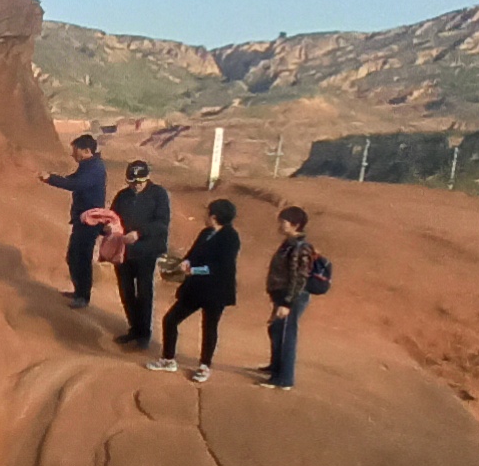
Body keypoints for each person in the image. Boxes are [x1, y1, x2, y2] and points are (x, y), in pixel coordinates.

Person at [146, 197, 240, 382]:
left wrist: (193, 270)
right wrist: (186, 263)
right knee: (171, 320)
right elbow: (194, 253)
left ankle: (204, 366)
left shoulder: (231, 238)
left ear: (214, 216)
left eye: (208, 212)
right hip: (195, 288)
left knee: (209, 327)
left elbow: (221, 266)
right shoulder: (206, 233)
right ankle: (168, 359)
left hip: (216, 290)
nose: (205, 215)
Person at [262, 206, 335, 390]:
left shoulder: (300, 247)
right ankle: (276, 367)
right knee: (277, 329)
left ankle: (284, 378)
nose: (280, 225)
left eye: (284, 222)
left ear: (295, 225)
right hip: (283, 295)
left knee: (287, 333)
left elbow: (299, 277)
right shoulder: (289, 244)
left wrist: (287, 302)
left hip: (293, 296)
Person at [108, 159, 171, 347]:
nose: (136, 185)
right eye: (132, 182)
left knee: (144, 293)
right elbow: (113, 217)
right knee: (126, 292)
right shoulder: (122, 196)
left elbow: (161, 223)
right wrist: (108, 227)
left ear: (147, 178)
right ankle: (134, 329)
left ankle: (144, 333)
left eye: (140, 182)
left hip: (147, 252)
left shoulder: (158, 195)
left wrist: (139, 233)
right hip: (124, 252)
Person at [40, 134, 108, 306]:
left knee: (81, 257)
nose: (73, 155)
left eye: (75, 151)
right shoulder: (88, 165)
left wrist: (51, 179)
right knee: (73, 256)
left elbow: (76, 184)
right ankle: (79, 291)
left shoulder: (95, 168)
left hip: (90, 221)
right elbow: (74, 180)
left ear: (86, 151)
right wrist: (53, 177)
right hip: (82, 219)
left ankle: (83, 297)